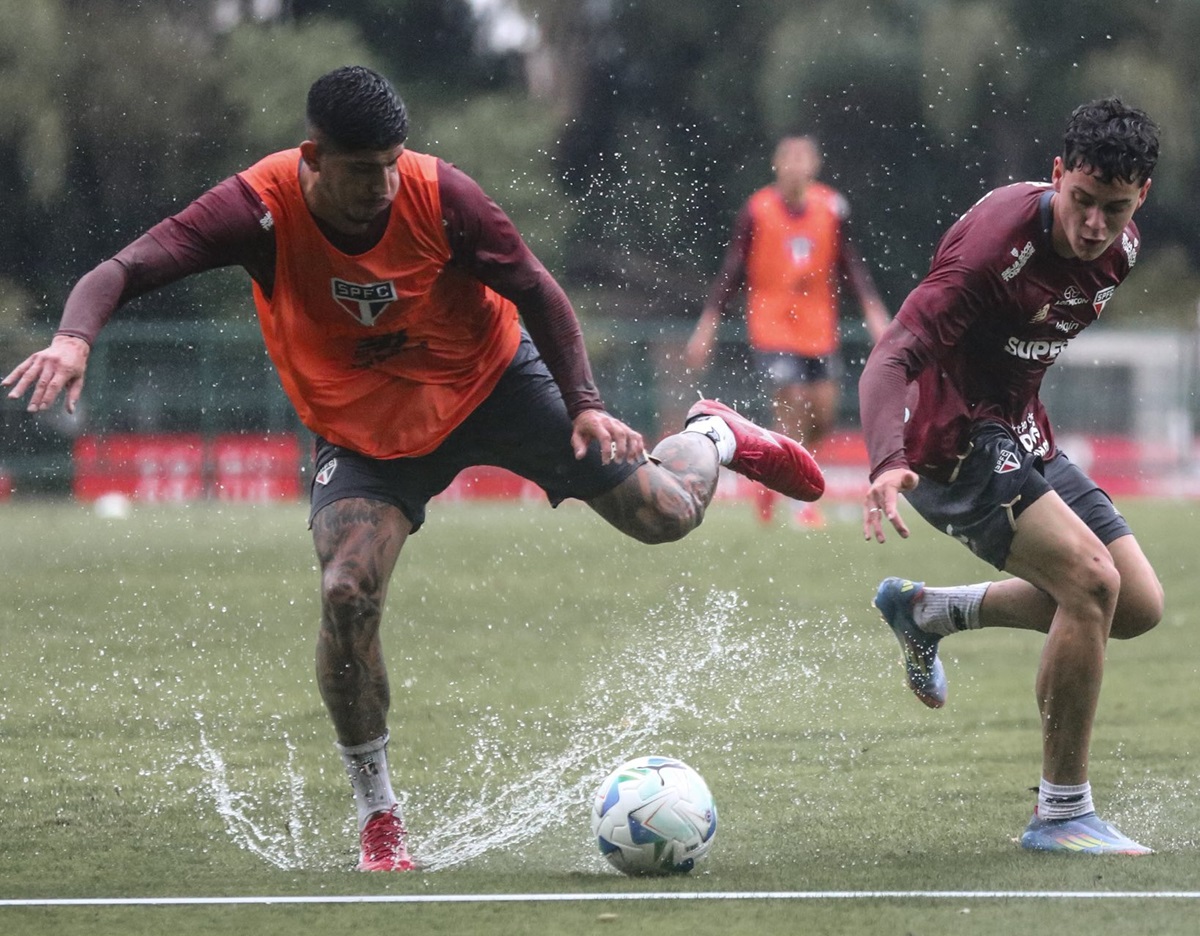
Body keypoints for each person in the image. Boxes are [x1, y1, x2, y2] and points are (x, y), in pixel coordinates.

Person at [3, 66, 824, 871]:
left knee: (667, 515)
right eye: (363, 173)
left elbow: (538, 289)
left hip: (494, 383)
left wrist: (580, 400)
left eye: (393, 166)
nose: (384, 188)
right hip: (362, 436)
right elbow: (125, 268)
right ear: (313, 159)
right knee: (345, 591)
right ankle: (381, 819)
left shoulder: (444, 196)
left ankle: (713, 433)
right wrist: (75, 337)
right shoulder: (258, 208)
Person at [859, 98, 1163, 854]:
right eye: (1082, 201)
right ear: (1057, 175)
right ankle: (1061, 814)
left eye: (1113, 208)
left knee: (1137, 605)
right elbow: (892, 353)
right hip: (947, 439)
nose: (1093, 224)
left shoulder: (1121, 250)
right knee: (1091, 584)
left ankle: (932, 612)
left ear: (1140, 200)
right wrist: (886, 460)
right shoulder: (997, 242)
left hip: (1021, 431)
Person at [686, 135, 890, 527]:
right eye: (789, 159)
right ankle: (801, 503)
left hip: (818, 328)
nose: (796, 167)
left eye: (804, 159)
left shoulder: (832, 207)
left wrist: (873, 310)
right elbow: (732, 271)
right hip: (772, 324)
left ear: (814, 166)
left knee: (824, 414)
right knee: (793, 402)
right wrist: (708, 323)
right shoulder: (757, 210)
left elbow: (851, 265)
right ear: (777, 165)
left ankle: (769, 482)